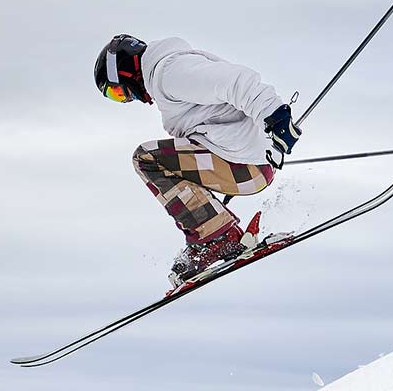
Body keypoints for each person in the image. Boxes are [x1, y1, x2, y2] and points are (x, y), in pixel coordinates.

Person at [94, 34, 302, 289]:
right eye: (117, 98)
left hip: (244, 165)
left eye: (118, 92)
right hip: (246, 163)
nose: (128, 99)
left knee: (146, 158)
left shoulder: (168, 73)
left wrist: (276, 117)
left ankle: (217, 238)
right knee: (162, 158)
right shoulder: (166, 75)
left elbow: (236, 82)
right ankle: (214, 234)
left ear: (127, 71)